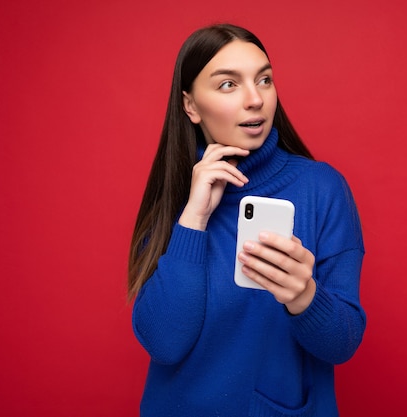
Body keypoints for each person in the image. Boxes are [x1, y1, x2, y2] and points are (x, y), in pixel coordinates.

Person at [128, 23, 366, 416]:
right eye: (228, 84)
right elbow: (165, 343)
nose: (256, 99)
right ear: (190, 106)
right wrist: (194, 218)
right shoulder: (177, 196)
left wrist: (303, 296)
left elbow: (342, 343)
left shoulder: (321, 189)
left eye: (264, 80)